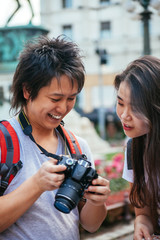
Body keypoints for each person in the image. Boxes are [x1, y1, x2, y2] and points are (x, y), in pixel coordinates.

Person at [0, 36, 110, 239]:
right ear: (27, 90)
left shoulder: (78, 147)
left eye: (71, 98)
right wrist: (36, 185)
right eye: (55, 98)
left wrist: (97, 201)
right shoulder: (3, 142)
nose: (63, 108)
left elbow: (91, 225)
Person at [114, 55, 160, 240]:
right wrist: (142, 224)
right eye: (120, 103)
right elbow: (144, 213)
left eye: (136, 108)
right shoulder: (135, 148)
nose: (124, 116)